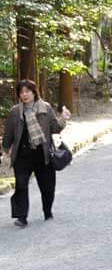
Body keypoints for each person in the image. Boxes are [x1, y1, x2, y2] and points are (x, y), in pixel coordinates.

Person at [2, 80, 71, 228]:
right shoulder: (15, 111)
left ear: (34, 92)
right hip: (22, 154)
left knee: (47, 186)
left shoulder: (45, 108)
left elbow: (55, 128)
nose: (24, 94)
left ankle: (47, 211)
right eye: (21, 92)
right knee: (21, 185)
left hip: (42, 153)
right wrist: (5, 149)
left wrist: (63, 118)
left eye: (27, 91)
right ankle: (22, 217)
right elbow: (8, 133)